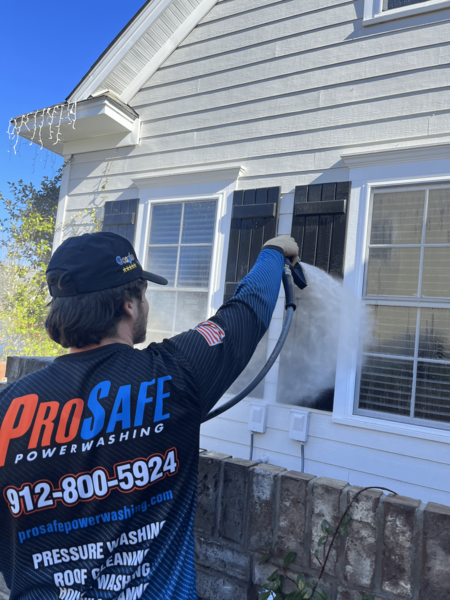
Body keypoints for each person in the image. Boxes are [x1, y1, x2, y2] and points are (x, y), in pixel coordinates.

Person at [0, 230, 298, 600]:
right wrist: (273, 252)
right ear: (129, 305)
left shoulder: (8, 407)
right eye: (142, 293)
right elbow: (247, 311)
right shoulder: (175, 375)